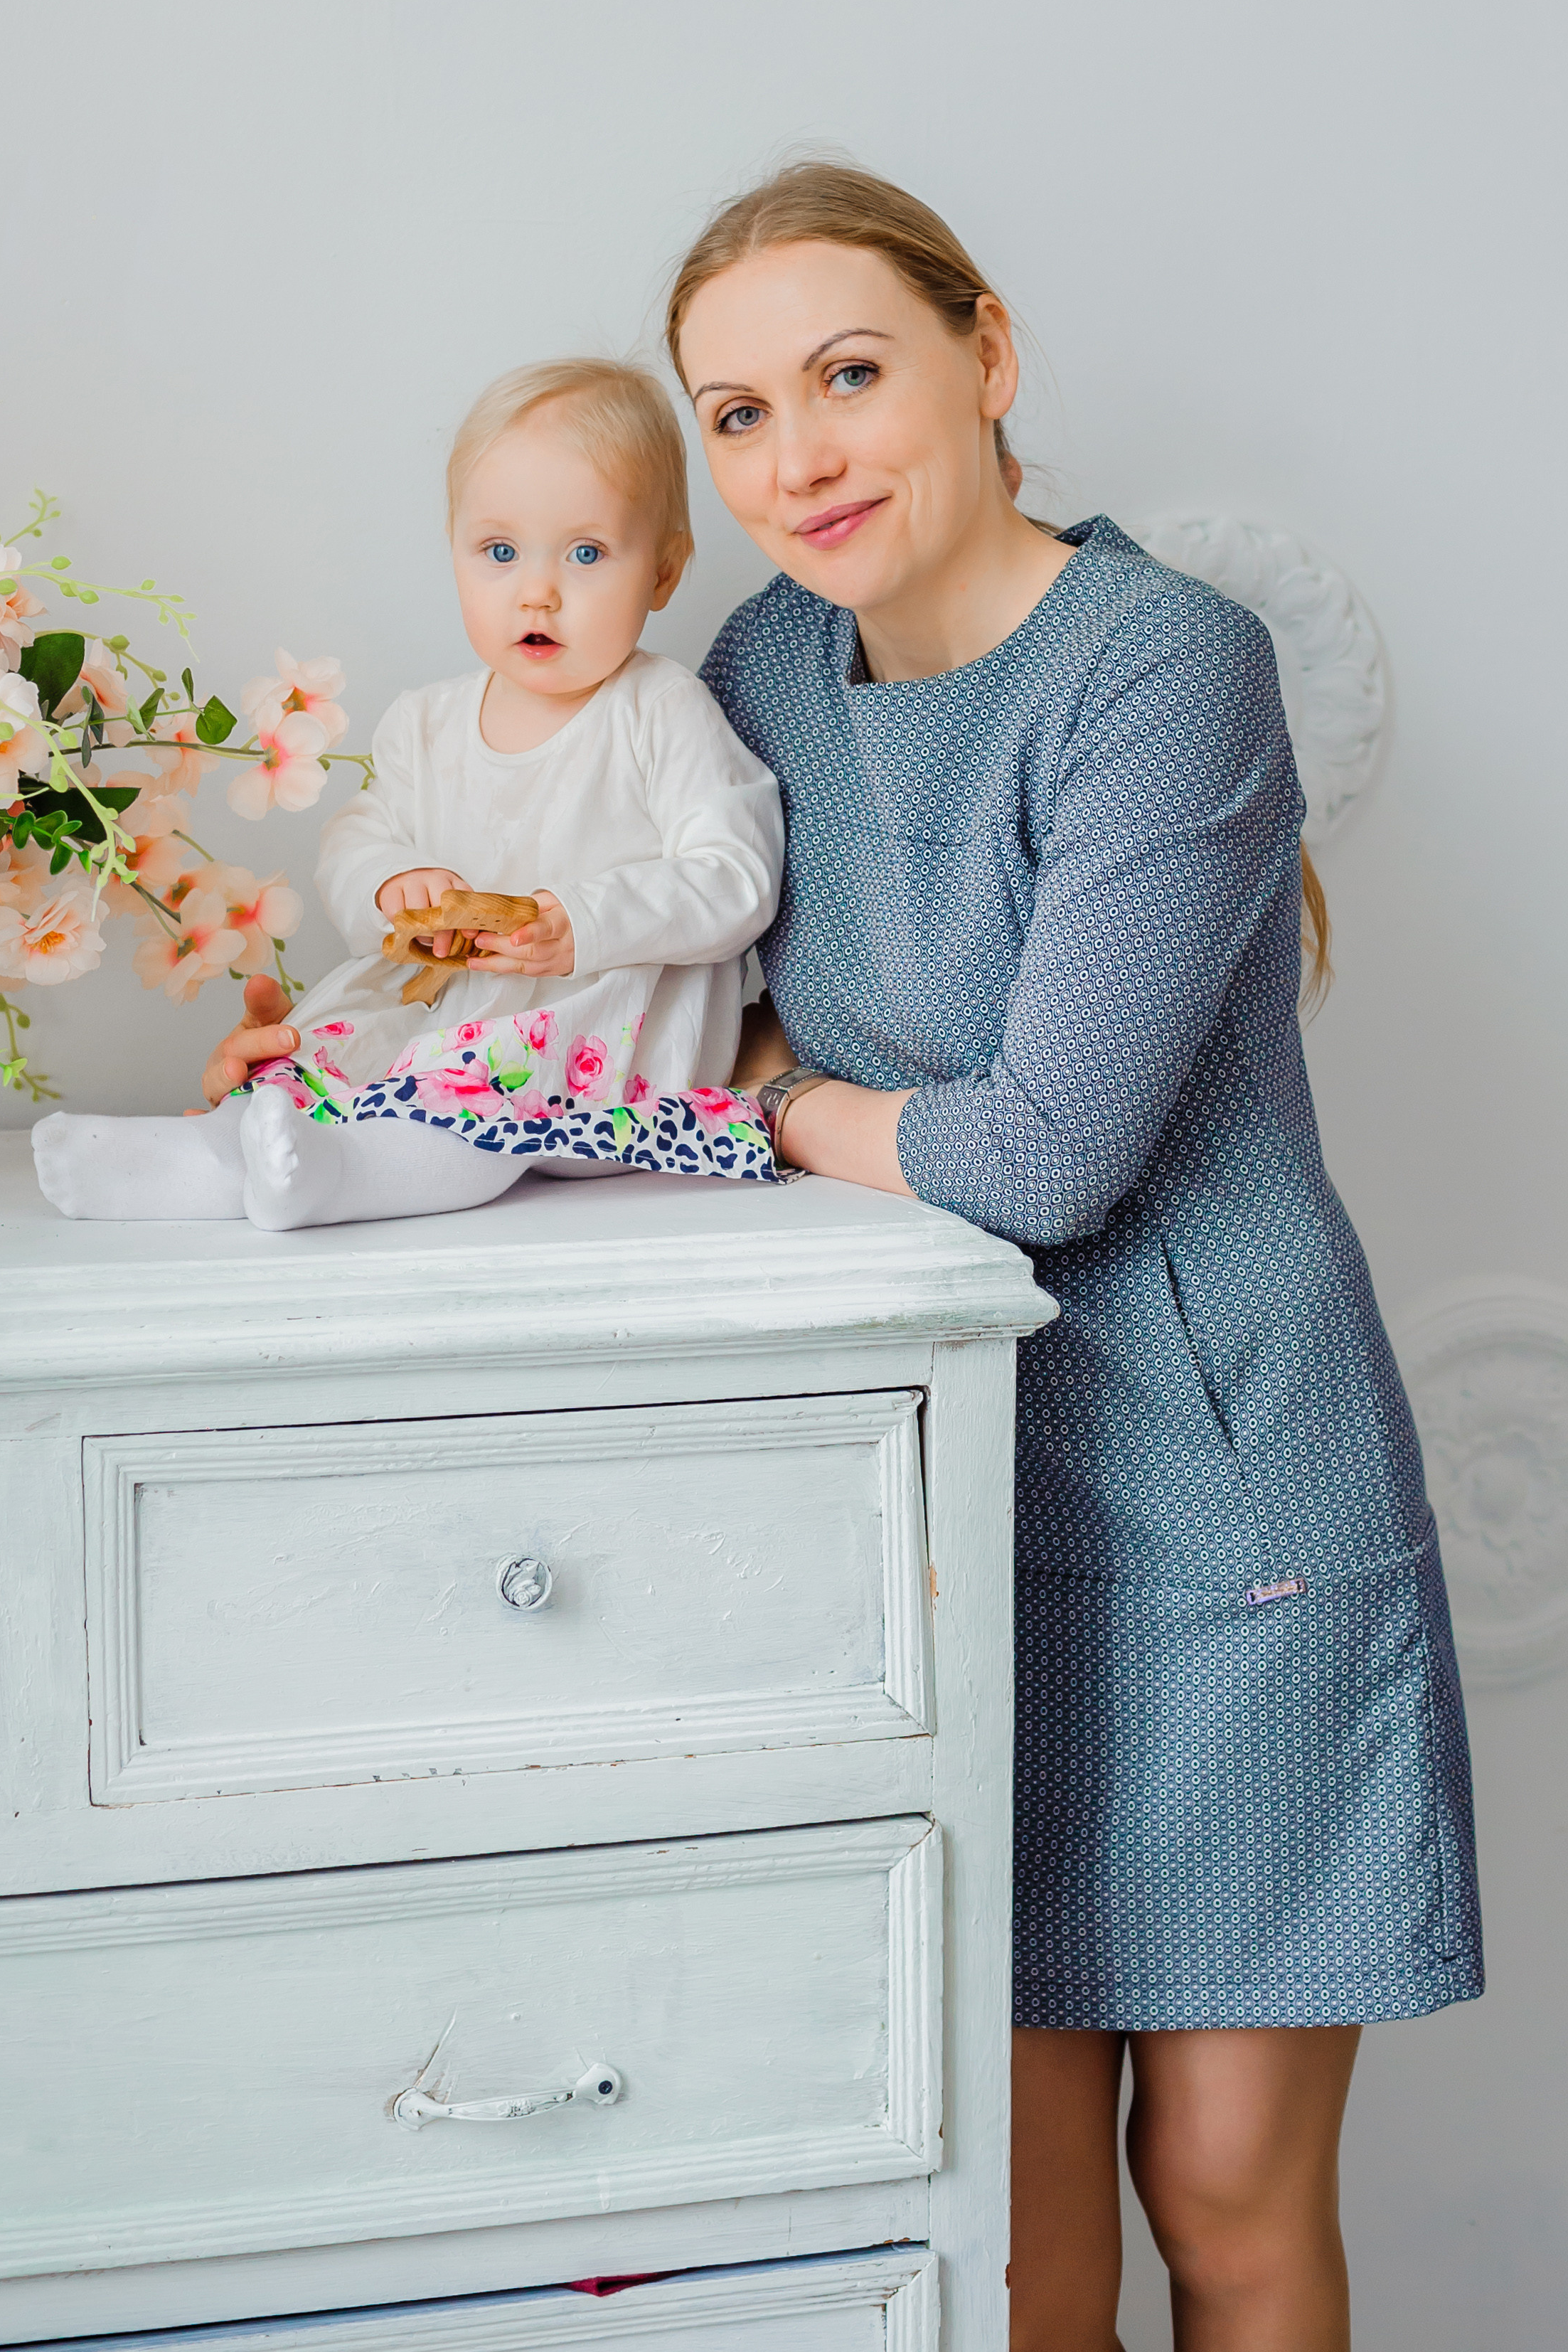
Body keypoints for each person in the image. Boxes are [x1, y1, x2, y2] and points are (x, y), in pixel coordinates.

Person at [668, 162, 1481, 2351]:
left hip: (1233, 1528)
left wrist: (779, 1109)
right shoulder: (761, 671)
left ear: (985, 355)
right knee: (1005, 2250)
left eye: (849, 375)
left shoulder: (1166, 665)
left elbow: (1043, 1152)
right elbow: (648, 963)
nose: (800, 454)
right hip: (938, 1527)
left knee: (1220, 2207)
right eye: (736, 416)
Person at [32, 357, 782, 1228]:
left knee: (466, 1112)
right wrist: (393, 880)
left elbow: (737, 876)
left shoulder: (661, 709)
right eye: (499, 551)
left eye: (586, 552)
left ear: (662, 570)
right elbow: (357, 839)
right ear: (457, 551)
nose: (537, 589)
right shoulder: (426, 723)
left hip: (596, 1041)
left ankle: (338, 1176)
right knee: (314, 1054)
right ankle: (195, 1167)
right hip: (440, 1008)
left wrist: (578, 922)